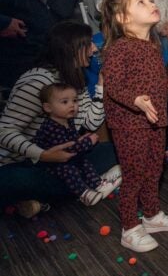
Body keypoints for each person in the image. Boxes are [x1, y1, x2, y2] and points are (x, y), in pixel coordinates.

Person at [0, 21, 120, 217]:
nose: (94, 48)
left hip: (63, 160)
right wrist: (43, 154)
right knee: (18, 181)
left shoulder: (74, 78)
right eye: (88, 43)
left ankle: (43, 199)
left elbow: (90, 123)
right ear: (72, 48)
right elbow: (4, 130)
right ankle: (66, 191)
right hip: (21, 163)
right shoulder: (38, 81)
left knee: (120, 150)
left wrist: (100, 87)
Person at [101, 0, 168, 252]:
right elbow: (112, 86)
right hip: (129, 124)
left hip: (154, 121)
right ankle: (129, 228)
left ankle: (151, 216)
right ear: (123, 18)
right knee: (134, 174)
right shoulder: (119, 49)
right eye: (141, 2)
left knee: (154, 170)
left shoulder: (152, 45)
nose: (151, 3)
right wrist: (135, 100)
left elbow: (155, 82)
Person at [33, 83, 113, 205]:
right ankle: (84, 194)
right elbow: (68, 149)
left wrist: (81, 139)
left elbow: (72, 141)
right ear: (48, 108)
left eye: (75, 100)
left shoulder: (68, 121)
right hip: (50, 164)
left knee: (83, 161)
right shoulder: (50, 127)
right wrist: (88, 142)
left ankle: (97, 184)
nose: (72, 105)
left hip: (66, 158)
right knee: (69, 170)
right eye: (65, 102)